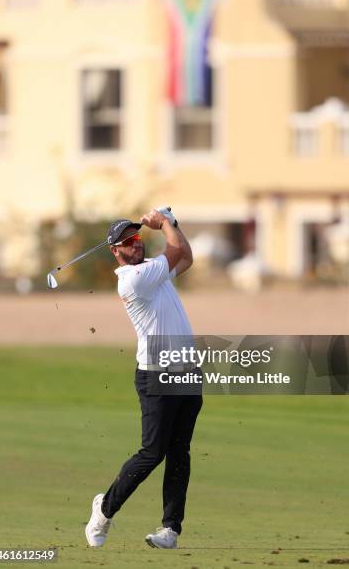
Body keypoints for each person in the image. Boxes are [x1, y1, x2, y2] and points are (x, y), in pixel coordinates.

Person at [85, 207, 203, 550]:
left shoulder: (154, 273)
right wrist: (165, 222)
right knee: (152, 452)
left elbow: (187, 257)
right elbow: (175, 250)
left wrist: (172, 224)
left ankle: (171, 530)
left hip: (186, 371)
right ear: (115, 251)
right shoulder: (135, 278)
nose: (135, 245)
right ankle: (104, 510)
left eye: (137, 238)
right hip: (156, 375)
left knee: (179, 451)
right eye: (127, 242)